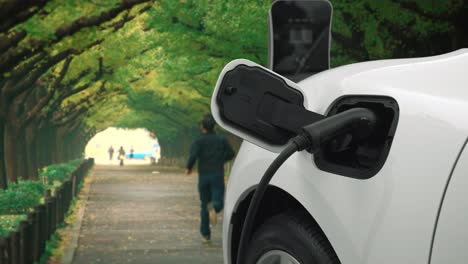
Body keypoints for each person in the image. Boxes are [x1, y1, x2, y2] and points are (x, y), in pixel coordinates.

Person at [186, 114, 235, 243]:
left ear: (202, 127)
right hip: (217, 175)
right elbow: (231, 153)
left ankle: (205, 234)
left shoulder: (198, 141)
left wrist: (189, 168)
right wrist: (220, 160)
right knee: (218, 201)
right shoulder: (221, 140)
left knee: (204, 204)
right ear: (214, 127)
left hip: (203, 176)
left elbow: (193, 156)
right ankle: (215, 207)